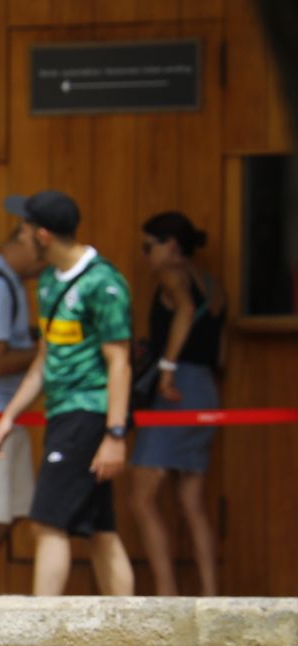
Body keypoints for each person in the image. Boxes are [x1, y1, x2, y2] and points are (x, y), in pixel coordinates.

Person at [0, 190, 135, 596]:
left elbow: (119, 362)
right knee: (100, 530)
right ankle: (131, 627)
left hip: (89, 412)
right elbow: (43, 361)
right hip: (60, 412)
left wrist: (115, 435)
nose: (21, 236)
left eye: (26, 229)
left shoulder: (105, 284)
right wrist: (9, 417)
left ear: (43, 234)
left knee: (48, 522)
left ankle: (39, 631)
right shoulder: (49, 283)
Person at [130, 212, 226, 597]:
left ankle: (167, 597)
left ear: (170, 244)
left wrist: (166, 368)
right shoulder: (215, 285)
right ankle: (212, 595)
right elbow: (221, 349)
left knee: (141, 498)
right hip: (205, 388)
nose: (146, 255)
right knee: (192, 501)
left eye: (148, 246)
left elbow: (184, 312)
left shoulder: (172, 275)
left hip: (176, 391)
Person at [0, 220, 44, 573]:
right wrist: (47, 351)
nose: (42, 266)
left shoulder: (3, 279)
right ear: (24, 236)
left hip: (0, 412)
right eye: (41, 256)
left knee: (7, 512)